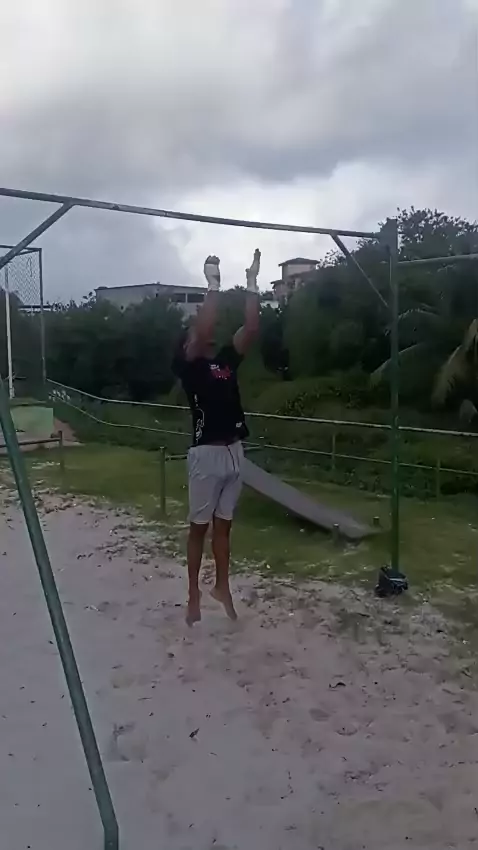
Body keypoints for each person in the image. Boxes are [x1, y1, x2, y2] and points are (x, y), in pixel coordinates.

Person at [173, 249, 261, 626]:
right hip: (206, 455)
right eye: (195, 335)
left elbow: (251, 330)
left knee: (224, 527)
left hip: (234, 452)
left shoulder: (224, 361)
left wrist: (252, 283)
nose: (203, 335)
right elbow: (204, 329)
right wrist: (213, 285)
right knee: (199, 528)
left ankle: (222, 586)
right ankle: (193, 592)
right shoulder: (188, 366)